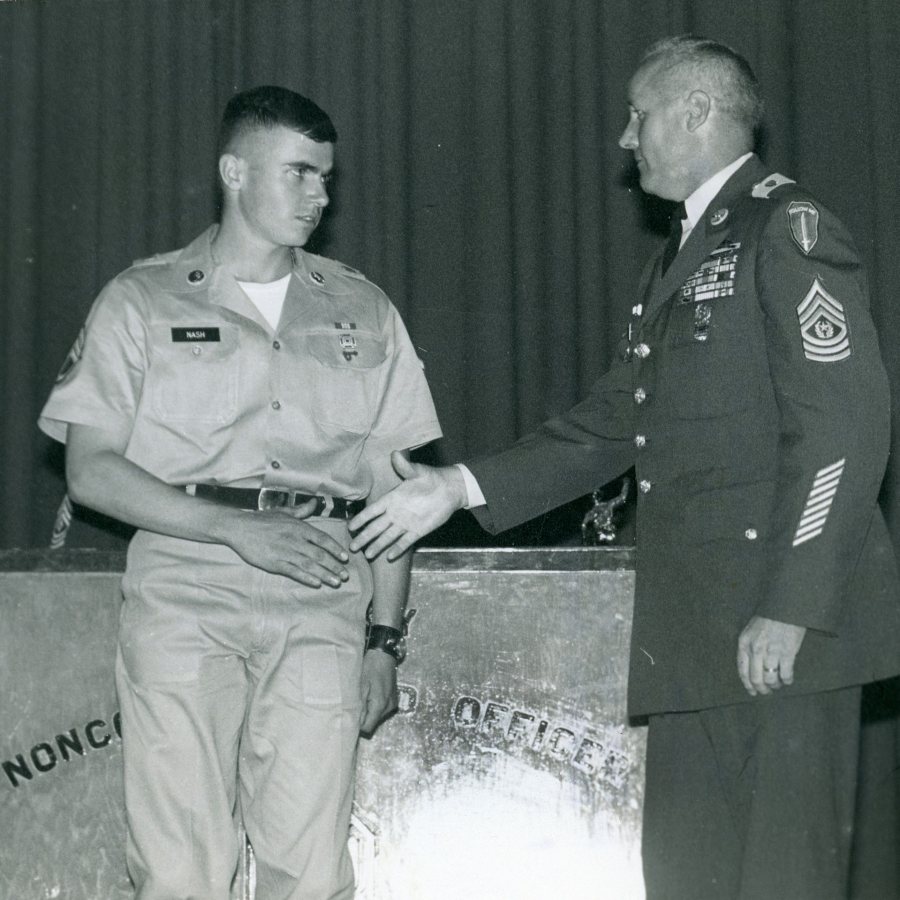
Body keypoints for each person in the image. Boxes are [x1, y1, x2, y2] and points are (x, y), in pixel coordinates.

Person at [348, 36, 900, 899]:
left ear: (697, 112)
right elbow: (618, 419)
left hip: (782, 633)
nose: (624, 137)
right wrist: (456, 487)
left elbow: (847, 425)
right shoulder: (681, 254)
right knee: (689, 879)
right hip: (695, 637)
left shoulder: (786, 228)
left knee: (785, 882)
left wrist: (791, 607)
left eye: (639, 114)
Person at [38, 85, 442, 900]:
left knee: (312, 867)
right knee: (180, 864)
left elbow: (396, 491)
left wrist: (385, 639)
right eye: (298, 174)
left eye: (325, 177)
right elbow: (92, 470)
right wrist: (231, 530)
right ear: (233, 171)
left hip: (324, 595)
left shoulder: (362, 306)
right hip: (184, 593)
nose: (319, 195)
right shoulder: (143, 299)